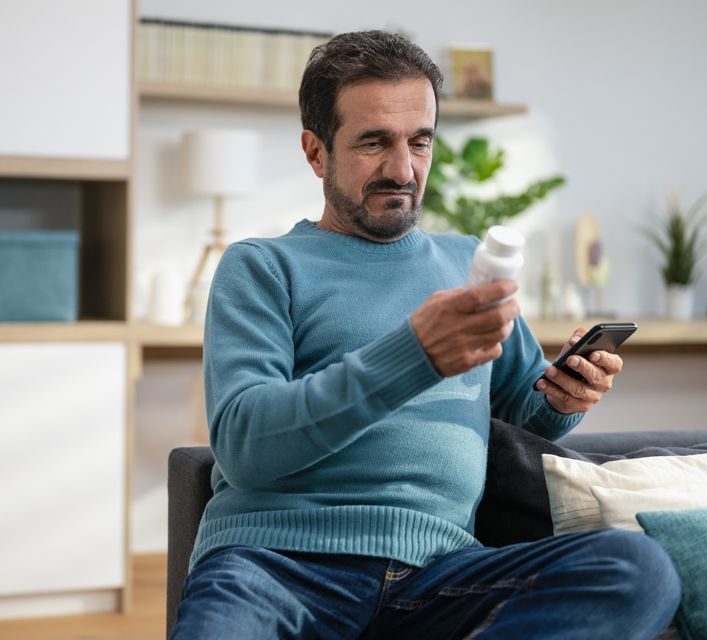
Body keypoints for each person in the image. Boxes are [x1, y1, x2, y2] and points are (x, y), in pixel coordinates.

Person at [172, 30, 680, 640]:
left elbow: (521, 412)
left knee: (636, 569)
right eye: (373, 142)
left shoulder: (467, 261)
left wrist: (563, 396)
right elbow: (244, 444)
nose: (403, 168)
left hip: (439, 574)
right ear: (315, 152)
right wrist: (413, 354)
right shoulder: (261, 265)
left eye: (420, 141)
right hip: (274, 566)